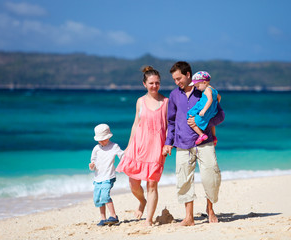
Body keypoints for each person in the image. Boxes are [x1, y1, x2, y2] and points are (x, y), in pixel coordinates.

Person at [162, 61, 225, 226]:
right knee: (183, 180)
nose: (177, 82)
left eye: (179, 78)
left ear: (188, 74)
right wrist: (168, 142)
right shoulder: (174, 95)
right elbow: (171, 121)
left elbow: (220, 115)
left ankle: (210, 209)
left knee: (211, 176)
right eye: (174, 79)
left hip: (205, 142)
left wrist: (203, 124)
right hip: (182, 143)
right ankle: (189, 217)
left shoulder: (204, 91)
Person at [116, 66, 168, 226]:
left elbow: (170, 126)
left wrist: (168, 144)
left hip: (156, 148)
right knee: (133, 183)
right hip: (138, 146)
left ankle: (149, 219)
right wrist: (129, 145)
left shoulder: (166, 102)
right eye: (151, 83)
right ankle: (142, 201)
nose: (154, 86)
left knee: (152, 184)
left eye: (157, 83)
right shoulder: (140, 101)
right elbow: (135, 124)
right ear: (144, 84)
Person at [89, 123, 124, 226]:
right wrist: (92, 166)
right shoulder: (96, 148)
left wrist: (124, 164)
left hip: (109, 176)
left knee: (105, 196)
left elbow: (122, 155)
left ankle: (113, 216)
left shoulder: (114, 146)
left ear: (109, 136)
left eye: (103, 139)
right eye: (99, 140)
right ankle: (103, 218)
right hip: (98, 178)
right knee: (97, 199)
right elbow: (93, 160)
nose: (101, 141)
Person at [187, 71, 221, 146]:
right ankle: (214, 136)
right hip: (212, 111)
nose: (197, 88)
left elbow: (210, 99)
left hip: (205, 109)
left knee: (189, 117)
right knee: (211, 124)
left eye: (198, 86)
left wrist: (204, 110)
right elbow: (219, 97)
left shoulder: (207, 90)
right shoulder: (213, 89)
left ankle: (201, 135)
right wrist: (214, 106)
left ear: (205, 82)